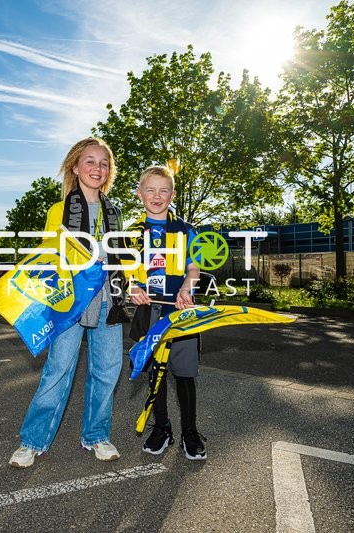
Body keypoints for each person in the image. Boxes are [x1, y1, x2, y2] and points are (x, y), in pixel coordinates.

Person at [9, 137, 128, 468]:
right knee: (59, 369)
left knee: (106, 371)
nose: (97, 168)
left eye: (104, 163)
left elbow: (124, 259)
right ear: (75, 167)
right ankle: (32, 441)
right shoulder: (58, 211)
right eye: (90, 161)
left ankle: (96, 436)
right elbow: (49, 258)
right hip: (70, 302)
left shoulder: (115, 212)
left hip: (107, 299)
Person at [125, 165, 207, 460]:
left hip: (180, 310)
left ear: (172, 194)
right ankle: (162, 427)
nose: (156, 196)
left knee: (184, 375)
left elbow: (194, 267)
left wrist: (187, 286)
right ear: (139, 193)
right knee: (155, 374)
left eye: (163, 190)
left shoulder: (186, 230)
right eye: (150, 190)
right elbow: (127, 270)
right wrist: (133, 285)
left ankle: (190, 432)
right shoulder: (132, 234)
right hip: (149, 312)